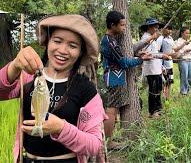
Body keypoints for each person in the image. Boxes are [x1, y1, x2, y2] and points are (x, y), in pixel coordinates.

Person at [0, 15, 106, 163]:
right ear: (48, 42)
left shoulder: (86, 90)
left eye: (73, 45)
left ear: (81, 52)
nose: (63, 50)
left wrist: (61, 128)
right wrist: (15, 66)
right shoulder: (28, 77)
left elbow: (94, 145)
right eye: (57, 41)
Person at [101, 11, 156, 150]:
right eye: (122, 25)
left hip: (115, 77)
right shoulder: (110, 41)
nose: (124, 28)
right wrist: (140, 59)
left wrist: (138, 55)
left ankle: (109, 139)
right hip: (115, 78)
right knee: (112, 111)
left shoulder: (111, 40)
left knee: (114, 110)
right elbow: (123, 62)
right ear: (113, 25)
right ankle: (108, 142)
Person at [140, 18, 170, 118]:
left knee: (158, 89)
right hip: (150, 70)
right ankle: (152, 112)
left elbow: (156, 52)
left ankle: (158, 108)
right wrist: (162, 56)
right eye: (155, 27)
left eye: (158, 27)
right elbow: (147, 54)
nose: (157, 29)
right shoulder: (145, 38)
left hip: (156, 68)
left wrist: (161, 65)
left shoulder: (153, 39)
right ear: (149, 27)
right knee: (153, 90)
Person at [158, 25, 177, 100]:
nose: (169, 31)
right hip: (162, 64)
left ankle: (168, 97)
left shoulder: (171, 39)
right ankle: (163, 97)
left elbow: (174, 49)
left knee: (169, 81)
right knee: (163, 81)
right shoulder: (160, 39)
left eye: (170, 29)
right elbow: (157, 52)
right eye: (168, 29)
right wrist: (170, 54)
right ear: (163, 29)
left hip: (169, 64)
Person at [173, 27, 191, 95]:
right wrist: (184, 50)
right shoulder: (178, 41)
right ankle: (183, 92)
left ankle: (188, 90)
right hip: (183, 60)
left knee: (190, 76)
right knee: (184, 76)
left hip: (190, 60)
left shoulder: (189, 41)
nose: (188, 34)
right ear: (182, 33)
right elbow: (176, 52)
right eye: (186, 33)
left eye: (189, 33)